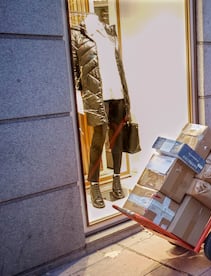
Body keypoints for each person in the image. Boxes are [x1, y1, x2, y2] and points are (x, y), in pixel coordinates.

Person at [71, 14, 131, 208]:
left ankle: (116, 180)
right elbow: (73, 71)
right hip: (97, 95)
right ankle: (94, 184)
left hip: (117, 93)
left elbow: (118, 67)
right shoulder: (77, 35)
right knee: (98, 139)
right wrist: (79, 99)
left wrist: (127, 98)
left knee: (117, 139)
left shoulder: (109, 32)